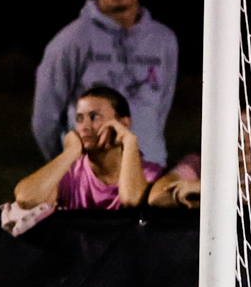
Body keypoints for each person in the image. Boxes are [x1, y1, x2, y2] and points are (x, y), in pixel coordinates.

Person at [33, 0, 180, 169]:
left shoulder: (164, 41)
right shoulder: (71, 41)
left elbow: (160, 109)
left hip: (147, 172)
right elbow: (45, 120)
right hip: (90, 175)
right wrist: (70, 169)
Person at [13, 86, 160, 212]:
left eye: (94, 117)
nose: (84, 126)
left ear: (123, 123)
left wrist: (130, 141)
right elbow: (26, 199)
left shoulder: (151, 174)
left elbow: (131, 199)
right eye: (79, 119)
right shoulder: (70, 174)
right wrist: (70, 152)